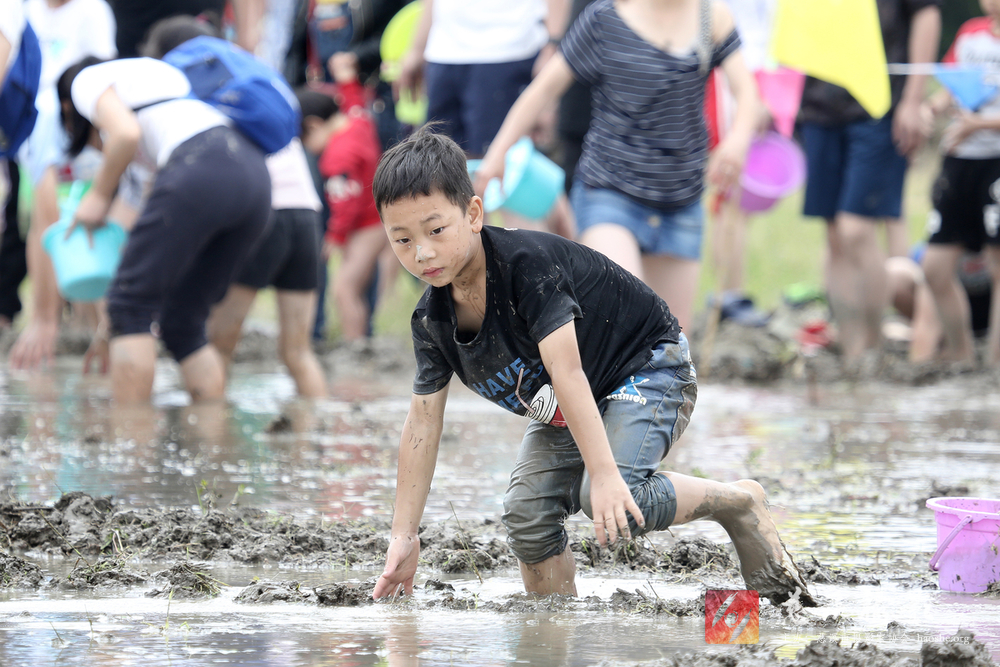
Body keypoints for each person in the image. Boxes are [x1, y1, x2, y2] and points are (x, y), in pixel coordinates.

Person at [369, 128, 815, 607]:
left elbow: (567, 372)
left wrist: (603, 476)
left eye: (436, 230)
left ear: (473, 214)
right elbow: (422, 422)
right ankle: (553, 628)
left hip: (647, 364)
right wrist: (404, 535)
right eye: (403, 239)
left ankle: (738, 502)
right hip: (570, 403)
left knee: (614, 496)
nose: (422, 252)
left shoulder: (526, 266)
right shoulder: (431, 321)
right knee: (527, 515)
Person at [475, 0, 759, 334]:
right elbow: (543, 90)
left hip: (680, 200)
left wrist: (738, 140)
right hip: (610, 192)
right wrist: (497, 155)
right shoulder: (604, 19)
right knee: (626, 319)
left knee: (669, 344)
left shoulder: (711, 16)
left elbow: (747, 92)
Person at [58, 54, 271, 403]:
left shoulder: (86, 80)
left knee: (131, 309)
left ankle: (130, 437)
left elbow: (124, 134)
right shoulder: (163, 106)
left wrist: (97, 195)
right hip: (254, 177)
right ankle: (210, 429)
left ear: (69, 109)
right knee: (183, 322)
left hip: (202, 163)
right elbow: (134, 245)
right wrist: (110, 324)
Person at [139, 14, 328, 398]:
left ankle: (207, 429)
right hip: (306, 215)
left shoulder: (189, 90)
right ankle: (319, 427)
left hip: (266, 216)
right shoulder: (250, 79)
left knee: (216, 343)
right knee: (298, 352)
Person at [797, 0, 941, 363]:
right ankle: (852, 352)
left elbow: (927, 13)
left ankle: (873, 348)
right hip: (820, 103)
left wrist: (913, 99)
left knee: (856, 229)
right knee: (834, 233)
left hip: (880, 103)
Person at [7, 0, 116, 368]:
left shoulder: (93, 11)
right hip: (42, 127)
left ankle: (101, 328)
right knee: (50, 227)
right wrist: (44, 318)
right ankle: (50, 321)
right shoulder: (46, 120)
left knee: (99, 226)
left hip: (87, 109)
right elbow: (46, 226)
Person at [918, 0, 1000, 367]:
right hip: (960, 159)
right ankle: (963, 359)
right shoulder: (970, 33)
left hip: (996, 160)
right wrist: (930, 108)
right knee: (935, 267)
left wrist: (979, 125)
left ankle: (995, 368)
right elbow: (952, 85)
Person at [397, 0, 568, 158]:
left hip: (507, 49)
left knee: (494, 161)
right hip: (444, 50)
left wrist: (552, 45)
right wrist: (417, 48)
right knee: (436, 161)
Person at [297, 61, 384, 345]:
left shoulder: (337, 156)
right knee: (355, 286)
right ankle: (361, 338)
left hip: (366, 225)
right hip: (375, 219)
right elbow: (355, 103)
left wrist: (335, 236)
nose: (308, 148)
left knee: (344, 289)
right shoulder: (358, 122)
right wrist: (347, 82)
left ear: (313, 125)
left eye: (304, 139)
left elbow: (346, 203)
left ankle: (355, 345)